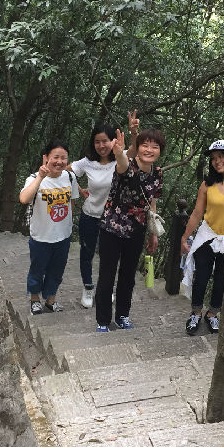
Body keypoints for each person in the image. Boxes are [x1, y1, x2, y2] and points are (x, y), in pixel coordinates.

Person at [95, 127, 165, 332]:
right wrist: (118, 152)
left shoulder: (158, 173)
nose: (149, 150)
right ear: (138, 147)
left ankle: (122, 315)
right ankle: (103, 320)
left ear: (160, 151)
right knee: (107, 275)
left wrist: (153, 233)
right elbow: (123, 165)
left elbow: (152, 202)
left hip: (137, 230)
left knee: (128, 276)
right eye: (145, 145)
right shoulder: (128, 164)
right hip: (112, 228)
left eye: (155, 146)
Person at [69, 113, 139, 308]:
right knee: (87, 253)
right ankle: (88, 288)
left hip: (113, 219)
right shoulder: (87, 163)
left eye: (105, 141)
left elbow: (134, 151)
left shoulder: (120, 159)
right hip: (90, 216)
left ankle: (106, 289)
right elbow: (66, 171)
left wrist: (134, 133)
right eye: (97, 142)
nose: (101, 145)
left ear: (113, 141)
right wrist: (78, 189)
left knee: (110, 257)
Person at [180, 140, 224, 335]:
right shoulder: (207, 184)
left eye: (221, 156)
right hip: (207, 235)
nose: (217, 161)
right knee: (202, 277)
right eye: (214, 158)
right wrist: (185, 237)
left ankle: (213, 314)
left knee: (222, 280)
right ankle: (196, 313)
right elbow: (197, 213)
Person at [19, 139, 79, 315]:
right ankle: (35, 299)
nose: (59, 162)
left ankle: (51, 300)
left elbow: (71, 202)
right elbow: (24, 199)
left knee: (57, 270)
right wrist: (40, 177)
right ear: (46, 158)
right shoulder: (34, 179)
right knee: (37, 270)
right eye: (55, 157)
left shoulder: (70, 177)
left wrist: (67, 224)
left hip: (63, 235)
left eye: (63, 158)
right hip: (41, 236)